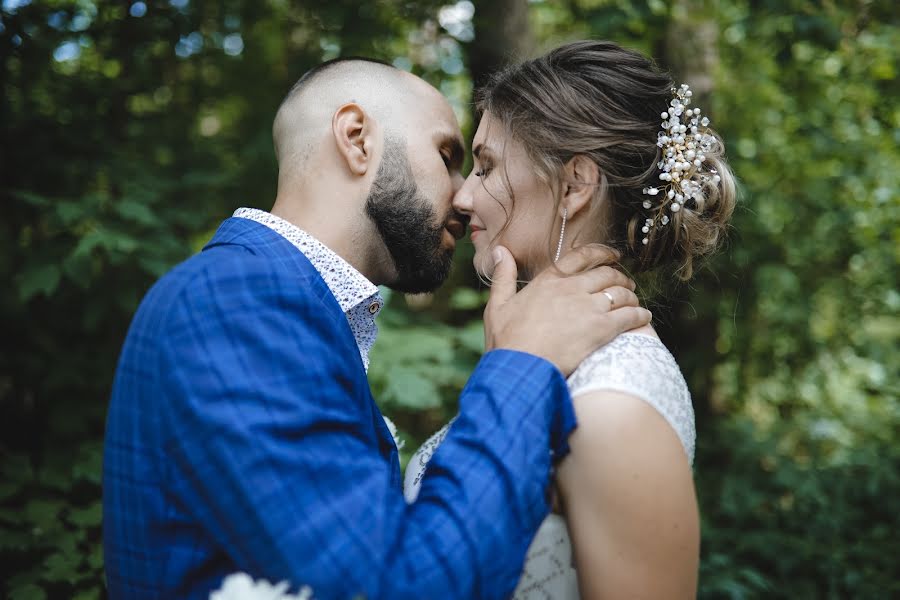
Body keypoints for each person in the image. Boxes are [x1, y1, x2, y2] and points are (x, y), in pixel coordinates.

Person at [102, 57, 653, 599]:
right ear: (357, 138)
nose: (464, 197)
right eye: (447, 155)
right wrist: (522, 365)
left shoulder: (287, 305)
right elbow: (400, 585)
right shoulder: (234, 301)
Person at [403, 40, 737, 598]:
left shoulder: (612, 405)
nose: (461, 197)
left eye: (485, 167)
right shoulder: (542, 356)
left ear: (575, 186)